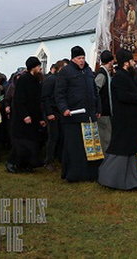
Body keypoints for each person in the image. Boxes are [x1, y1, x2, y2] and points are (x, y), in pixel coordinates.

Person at [98, 49, 137, 191]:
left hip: (132, 120)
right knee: (121, 152)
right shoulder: (120, 78)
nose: (134, 63)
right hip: (125, 121)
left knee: (132, 152)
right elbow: (123, 96)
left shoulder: (127, 76)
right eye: (131, 61)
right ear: (126, 63)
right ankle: (110, 178)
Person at [55, 46, 102, 182]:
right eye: (79, 58)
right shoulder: (65, 72)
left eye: (83, 58)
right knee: (75, 148)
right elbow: (60, 93)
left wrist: (98, 108)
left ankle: (91, 173)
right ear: (72, 59)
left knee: (91, 147)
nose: (81, 61)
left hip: (89, 116)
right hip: (73, 117)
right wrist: (64, 108)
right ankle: (74, 174)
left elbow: (94, 92)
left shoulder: (88, 71)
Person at [7, 56, 47, 174]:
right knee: (21, 144)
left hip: (33, 117)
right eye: (38, 66)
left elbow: (37, 101)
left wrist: (40, 118)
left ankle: (27, 164)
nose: (40, 68)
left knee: (31, 143)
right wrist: (25, 115)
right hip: (22, 118)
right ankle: (12, 163)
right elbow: (19, 100)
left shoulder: (36, 80)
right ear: (33, 67)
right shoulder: (23, 80)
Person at [41, 60, 65, 170]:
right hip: (52, 112)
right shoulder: (51, 80)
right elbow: (45, 97)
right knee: (53, 137)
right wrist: (49, 113)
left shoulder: (62, 80)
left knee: (60, 136)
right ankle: (48, 160)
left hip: (60, 112)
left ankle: (59, 158)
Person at [94, 50, 115, 152]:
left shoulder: (107, 73)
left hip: (105, 111)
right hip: (103, 112)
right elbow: (95, 91)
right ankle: (106, 162)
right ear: (110, 61)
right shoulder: (102, 74)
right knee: (106, 138)